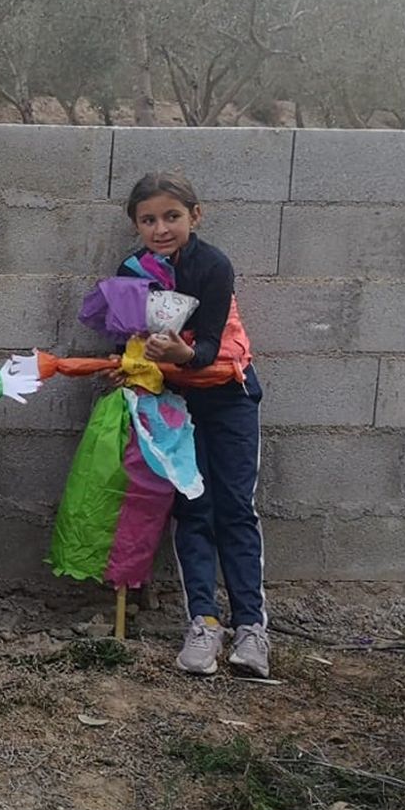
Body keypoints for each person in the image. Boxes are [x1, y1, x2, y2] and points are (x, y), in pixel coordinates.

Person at [119, 172, 266, 677]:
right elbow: (122, 335)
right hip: (175, 403)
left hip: (229, 398)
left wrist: (182, 352)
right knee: (193, 508)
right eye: (149, 219)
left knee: (235, 509)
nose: (161, 228)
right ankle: (203, 623)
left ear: (195, 216)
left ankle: (251, 628)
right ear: (136, 225)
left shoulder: (213, 266)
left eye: (172, 216)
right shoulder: (133, 270)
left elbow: (207, 345)